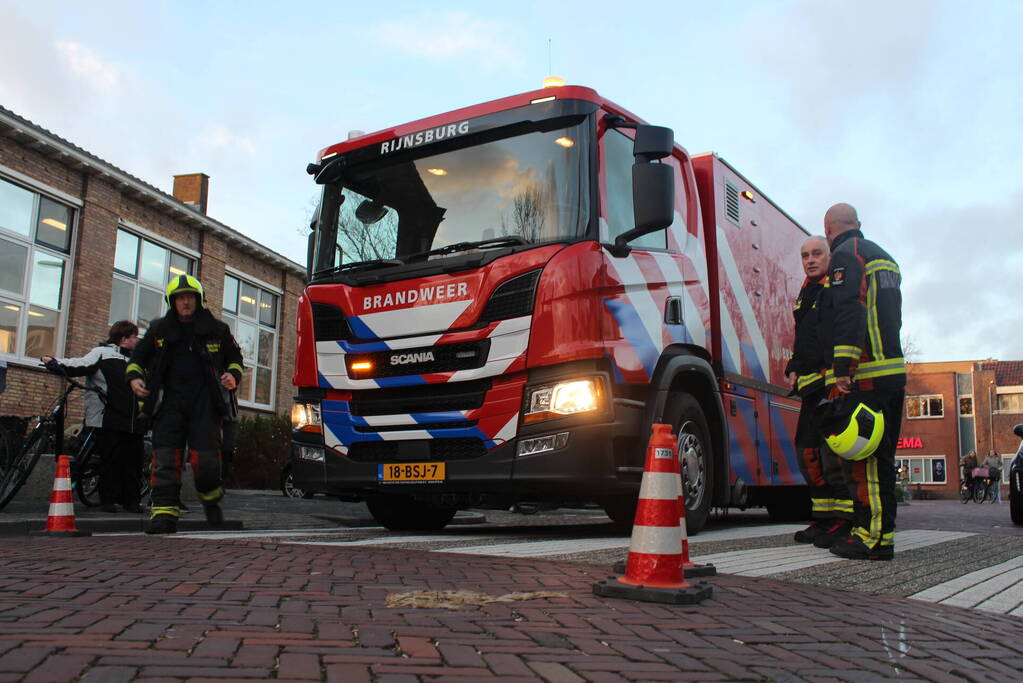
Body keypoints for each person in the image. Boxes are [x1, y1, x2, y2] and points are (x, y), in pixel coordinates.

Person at [818, 203, 905, 561]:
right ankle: (879, 532)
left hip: (865, 375)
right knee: (882, 459)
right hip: (891, 372)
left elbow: (850, 309)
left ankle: (871, 538)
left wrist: (842, 369)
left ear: (828, 230)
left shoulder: (845, 255)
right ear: (859, 224)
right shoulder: (884, 258)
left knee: (864, 460)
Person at [127, 275, 244, 534]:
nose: (186, 302)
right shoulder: (158, 330)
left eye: (190, 297)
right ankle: (164, 514)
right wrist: (134, 378)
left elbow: (235, 358)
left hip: (205, 403)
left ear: (199, 300)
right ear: (172, 301)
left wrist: (233, 375)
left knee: (206, 461)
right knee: (166, 458)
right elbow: (138, 357)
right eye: (180, 298)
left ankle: (211, 498)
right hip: (169, 402)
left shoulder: (218, 329)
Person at [786, 236, 853, 546]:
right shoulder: (807, 290)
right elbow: (804, 336)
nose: (810, 260)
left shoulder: (835, 287)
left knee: (832, 457)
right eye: (804, 255)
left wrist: (839, 373)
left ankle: (845, 520)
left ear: (829, 255)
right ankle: (824, 518)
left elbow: (840, 330)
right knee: (808, 454)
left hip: (832, 386)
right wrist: (794, 367)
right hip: (811, 388)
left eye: (816, 254)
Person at [42, 321, 146, 513]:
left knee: (133, 462)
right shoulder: (103, 353)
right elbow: (80, 363)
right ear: (123, 339)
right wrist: (55, 361)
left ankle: (131, 501)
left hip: (135, 420)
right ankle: (108, 500)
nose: (137, 340)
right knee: (111, 460)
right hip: (110, 417)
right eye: (134, 337)